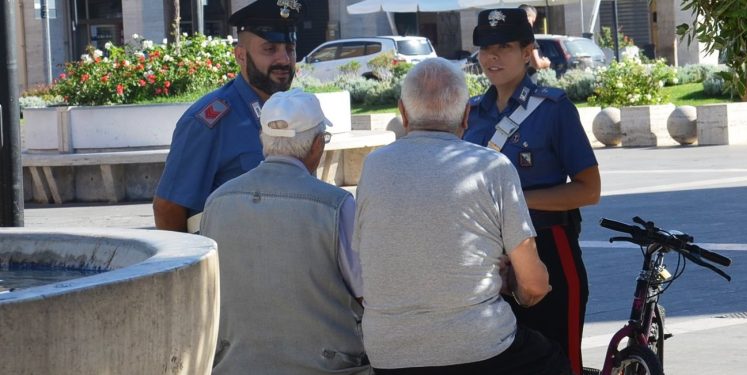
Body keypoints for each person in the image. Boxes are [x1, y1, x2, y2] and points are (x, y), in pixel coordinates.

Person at [354, 58, 572, 375]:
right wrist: (518, 293)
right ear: (466, 115)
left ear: (402, 113)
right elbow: (535, 283)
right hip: (478, 346)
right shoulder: (491, 167)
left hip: (389, 352)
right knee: (554, 360)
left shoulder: (373, 167)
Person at [463, 9, 601, 375]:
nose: (492, 57)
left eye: (504, 46)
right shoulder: (470, 114)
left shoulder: (554, 109)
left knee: (559, 360)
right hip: (487, 258)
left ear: (527, 52)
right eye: (486, 48)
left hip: (549, 247)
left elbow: (589, 190)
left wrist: (515, 203)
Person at [201, 88, 370, 375]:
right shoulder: (337, 205)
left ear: (263, 140)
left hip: (236, 366)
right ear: (317, 145)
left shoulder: (217, 201)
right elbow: (367, 292)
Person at [153, 0, 304, 233]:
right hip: (232, 263)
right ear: (241, 56)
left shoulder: (298, 111)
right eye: (270, 49)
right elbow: (168, 207)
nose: (284, 60)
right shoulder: (208, 122)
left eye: (290, 49)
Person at [519, 4, 551, 80]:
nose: (532, 25)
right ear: (527, 17)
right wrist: (546, 63)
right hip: (527, 80)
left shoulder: (509, 36)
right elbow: (536, 64)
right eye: (532, 21)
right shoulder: (528, 37)